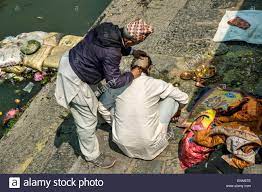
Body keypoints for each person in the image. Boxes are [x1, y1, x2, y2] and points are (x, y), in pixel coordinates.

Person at [55, 19, 153, 168]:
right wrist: (133, 74)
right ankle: (92, 156)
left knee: (95, 96)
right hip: (75, 79)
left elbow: (117, 45)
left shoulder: (108, 28)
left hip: (74, 59)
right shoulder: (112, 53)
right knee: (86, 122)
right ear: (128, 40)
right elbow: (113, 82)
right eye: (133, 44)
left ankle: (100, 118)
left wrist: (133, 52)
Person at [99, 56, 189, 160]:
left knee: (113, 105)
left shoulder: (118, 83)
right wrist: (177, 110)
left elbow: (101, 107)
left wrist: (114, 124)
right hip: (151, 146)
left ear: (132, 67)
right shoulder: (156, 83)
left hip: (123, 144)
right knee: (171, 100)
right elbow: (184, 98)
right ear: (149, 68)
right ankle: (163, 130)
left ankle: (123, 129)